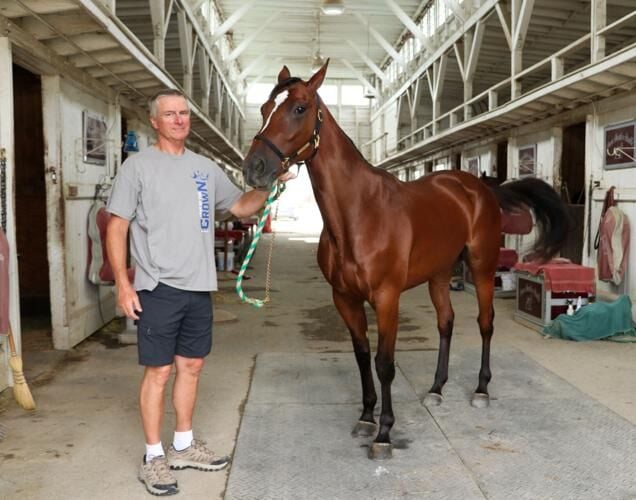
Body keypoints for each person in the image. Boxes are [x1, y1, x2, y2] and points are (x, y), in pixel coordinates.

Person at [106, 89, 274, 496]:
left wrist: (268, 183)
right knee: (159, 372)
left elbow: (239, 207)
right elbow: (117, 226)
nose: (179, 119)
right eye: (170, 114)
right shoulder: (138, 167)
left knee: (192, 367)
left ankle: (182, 445)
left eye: (184, 113)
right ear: (155, 121)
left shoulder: (204, 167)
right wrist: (124, 284)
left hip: (199, 287)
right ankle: (153, 456)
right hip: (158, 286)